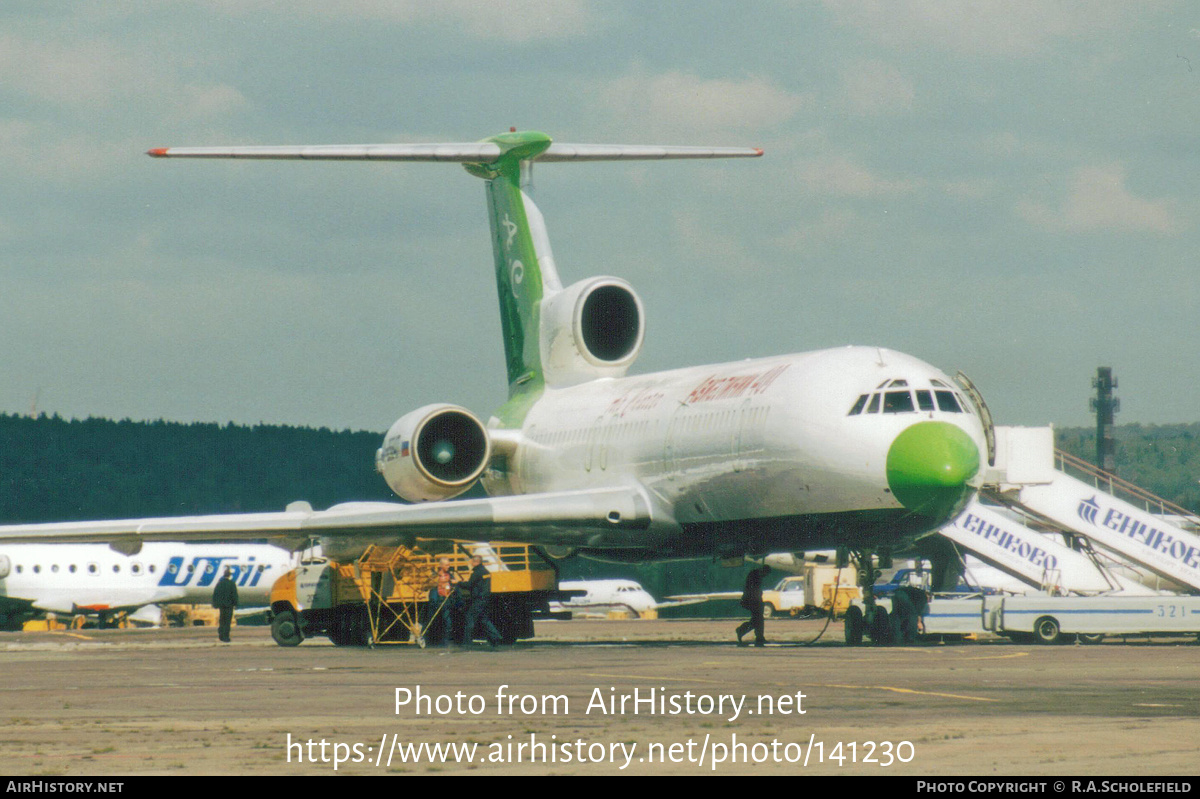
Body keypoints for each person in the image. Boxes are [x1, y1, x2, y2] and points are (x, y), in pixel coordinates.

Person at [458, 555, 503, 647]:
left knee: (470, 618)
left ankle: (467, 642)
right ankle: (496, 637)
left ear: (476, 562)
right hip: (485, 599)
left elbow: (469, 585)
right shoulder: (485, 571)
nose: (470, 563)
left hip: (478, 600)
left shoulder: (477, 572)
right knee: (484, 619)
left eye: (472, 562)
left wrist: (458, 583)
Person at [424, 557, 461, 646]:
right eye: (446, 565)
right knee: (431, 620)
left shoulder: (450, 575)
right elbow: (427, 586)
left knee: (447, 621)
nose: (448, 566)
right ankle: (426, 639)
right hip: (436, 600)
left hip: (446, 600)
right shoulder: (435, 575)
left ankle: (446, 640)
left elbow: (455, 588)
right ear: (441, 565)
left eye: (449, 564)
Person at [736, 565, 771, 647]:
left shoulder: (755, 574)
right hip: (753, 600)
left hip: (754, 600)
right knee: (758, 620)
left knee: (758, 620)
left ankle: (757, 636)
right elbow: (753, 589)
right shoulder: (756, 575)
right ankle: (743, 631)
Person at [212, 568, 239, 643]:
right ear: (229, 575)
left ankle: (221, 635)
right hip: (229, 606)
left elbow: (215, 594)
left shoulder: (219, 584)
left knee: (222, 620)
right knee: (227, 621)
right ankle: (226, 637)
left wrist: (215, 604)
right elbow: (234, 595)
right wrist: (236, 604)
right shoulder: (231, 583)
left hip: (221, 606)